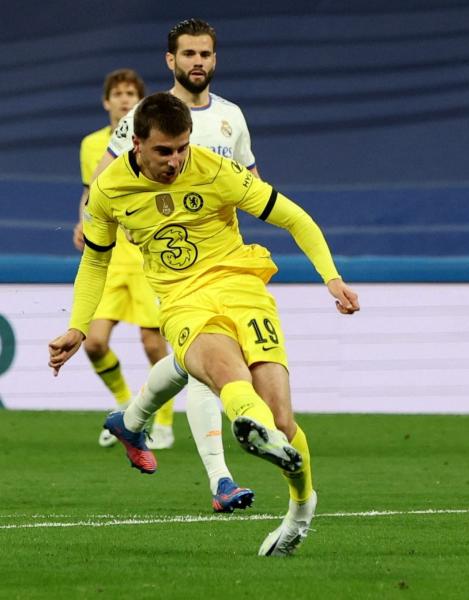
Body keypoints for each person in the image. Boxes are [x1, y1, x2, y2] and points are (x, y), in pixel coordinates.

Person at [49, 91, 360, 556]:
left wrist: (331, 277)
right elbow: (95, 262)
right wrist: (78, 326)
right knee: (223, 371)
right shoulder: (109, 189)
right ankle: (247, 434)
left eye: (182, 148)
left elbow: (294, 218)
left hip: (243, 286)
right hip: (183, 300)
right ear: (137, 143)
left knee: (282, 418)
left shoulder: (217, 170)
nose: (175, 161)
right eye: (163, 151)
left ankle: (300, 506)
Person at [78, 18, 262, 513]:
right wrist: (88, 221)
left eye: (205, 54)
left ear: (214, 60)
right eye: (188, 54)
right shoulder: (144, 115)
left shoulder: (231, 118)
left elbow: (251, 181)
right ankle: (221, 480)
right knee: (203, 362)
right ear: (171, 60)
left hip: (226, 264)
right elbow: (104, 180)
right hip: (171, 263)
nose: (197, 62)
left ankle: (131, 418)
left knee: (191, 361)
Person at [75, 69, 170, 450]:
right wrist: (80, 221)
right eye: (118, 93)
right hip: (110, 255)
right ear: (106, 101)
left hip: (143, 251)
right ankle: (125, 406)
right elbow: (91, 190)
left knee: (152, 342)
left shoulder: (153, 143)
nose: (125, 99)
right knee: (94, 342)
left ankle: (162, 421)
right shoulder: (90, 144)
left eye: (132, 93)